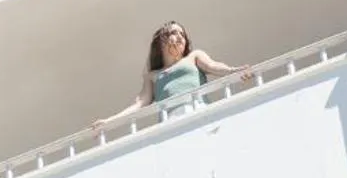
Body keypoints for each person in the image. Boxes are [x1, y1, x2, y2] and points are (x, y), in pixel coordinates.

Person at [97, 20, 249, 128]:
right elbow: (140, 103)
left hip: (199, 110)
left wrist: (233, 71)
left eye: (182, 34)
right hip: (171, 120)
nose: (180, 37)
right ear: (162, 40)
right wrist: (111, 121)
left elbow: (214, 66)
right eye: (174, 33)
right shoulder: (152, 75)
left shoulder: (194, 56)